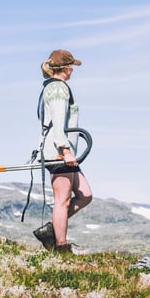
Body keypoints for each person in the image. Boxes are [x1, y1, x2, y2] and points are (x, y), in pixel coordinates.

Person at [32, 49, 93, 253]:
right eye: (72, 66)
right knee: (63, 200)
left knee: (85, 194)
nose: (73, 70)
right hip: (58, 152)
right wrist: (65, 149)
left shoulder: (52, 87)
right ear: (66, 68)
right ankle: (61, 247)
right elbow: (58, 122)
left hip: (63, 151)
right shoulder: (58, 89)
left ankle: (51, 229)